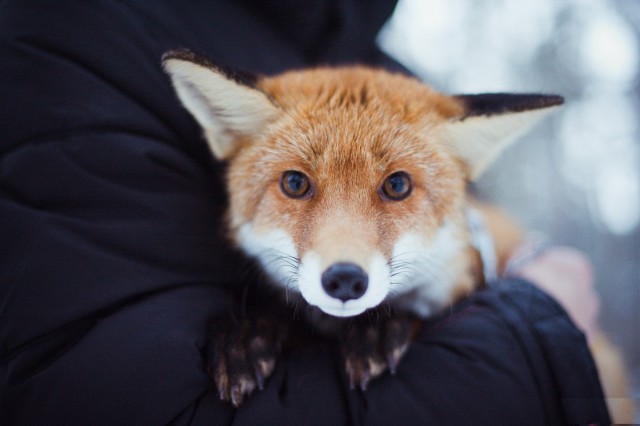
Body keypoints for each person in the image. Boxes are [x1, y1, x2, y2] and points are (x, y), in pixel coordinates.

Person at [0, 1, 610, 424]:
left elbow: (470, 254)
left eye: (393, 187)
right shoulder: (72, 36)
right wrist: (536, 333)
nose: (343, 254)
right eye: (297, 182)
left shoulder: (388, 69)